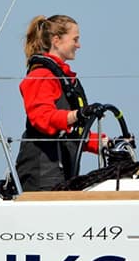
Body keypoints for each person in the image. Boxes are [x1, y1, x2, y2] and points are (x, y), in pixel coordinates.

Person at [15, 14, 106, 191]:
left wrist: (105, 143)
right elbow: (42, 119)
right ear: (57, 40)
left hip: (62, 170)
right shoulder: (41, 75)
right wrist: (76, 114)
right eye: (75, 39)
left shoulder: (66, 79)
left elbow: (74, 134)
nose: (79, 45)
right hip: (42, 173)